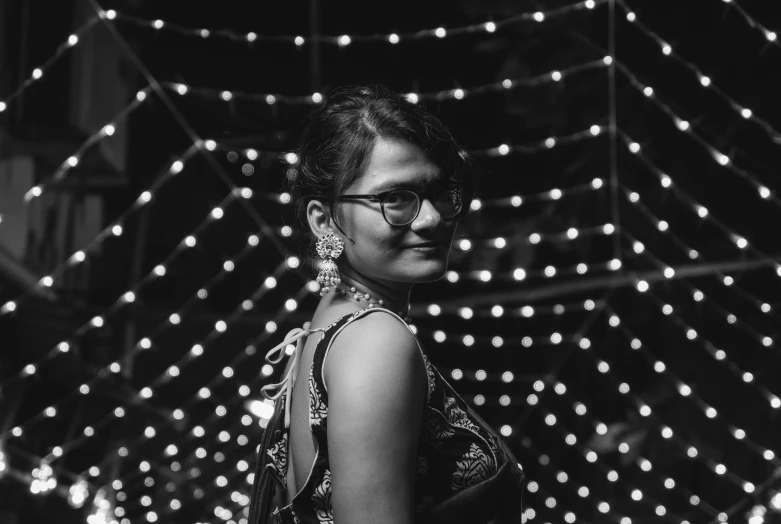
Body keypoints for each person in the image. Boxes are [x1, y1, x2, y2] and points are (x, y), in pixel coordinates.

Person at [247, 85, 524, 524]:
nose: (432, 217)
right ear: (325, 220)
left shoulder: (327, 325)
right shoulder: (376, 341)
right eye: (395, 197)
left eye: (439, 191)